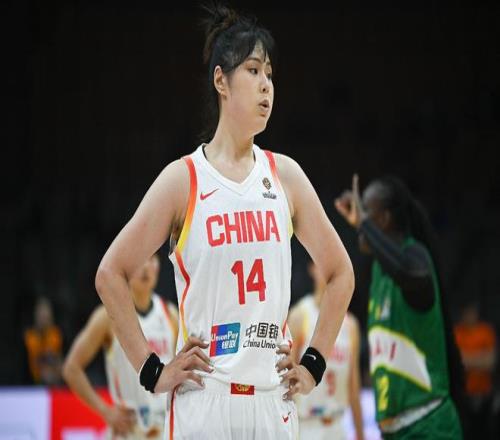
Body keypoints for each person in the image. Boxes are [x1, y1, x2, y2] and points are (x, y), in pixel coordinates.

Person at [94, 3, 354, 439]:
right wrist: (152, 370)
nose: (266, 84)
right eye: (252, 70)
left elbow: (341, 272)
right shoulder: (183, 179)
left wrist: (313, 364)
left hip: (273, 401)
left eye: (269, 74)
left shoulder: (285, 176)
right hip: (205, 398)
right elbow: (110, 273)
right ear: (221, 81)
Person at [335, 174, 463, 439]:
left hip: (428, 425)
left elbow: (408, 273)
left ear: (384, 219)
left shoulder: (415, 256)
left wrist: (364, 225)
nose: (360, 221)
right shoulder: (377, 272)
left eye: (367, 213)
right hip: (392, 431)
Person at [63, 254, 178, 439]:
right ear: (126, 267)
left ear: (158, 266)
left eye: (151, 259)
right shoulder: (107, 315)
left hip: (165, 430)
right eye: (140, 259)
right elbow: (71, 368)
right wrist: (105, 411)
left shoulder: (170, 315)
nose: (146, 267)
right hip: (129, 432)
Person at [288, 260, 365, 440]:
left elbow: (353, 387)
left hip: (338, 425)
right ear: (312, 269)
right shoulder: (300, 315)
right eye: (322, 264)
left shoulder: (351, 325)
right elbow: (286, 378)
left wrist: (360, 434)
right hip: (306, 425)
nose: (328, 271)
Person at [454, 301, 496, 439]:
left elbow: (490, 362)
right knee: (466, 432)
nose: (469, 316)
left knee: (485, 431)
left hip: (483, 394)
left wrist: (467, 359)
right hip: (464, 394)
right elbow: (456, 362)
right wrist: (479, 358)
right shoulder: (457, 332)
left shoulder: (485, 331)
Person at [24, 296, 63, 385]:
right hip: (32, 382)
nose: (44, 319)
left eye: (46, 316)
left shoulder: (56, 335)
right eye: (41, 315)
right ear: (36, 315)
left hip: (55, 379)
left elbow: (60, 359)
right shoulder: (29, 336)